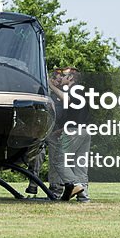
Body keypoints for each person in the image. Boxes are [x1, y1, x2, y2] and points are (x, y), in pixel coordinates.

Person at [47, 67, 89, 201]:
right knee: (80, 165)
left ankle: (75, 185)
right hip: (84, 130)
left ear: (70, 78)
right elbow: (77, 114)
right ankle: (83, 197)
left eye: (64, 76)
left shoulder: (75, 89)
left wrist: (50, 85)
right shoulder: (82, 90)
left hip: (74, 131)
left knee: (59, 160)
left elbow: (66, 100)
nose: (61, 78)